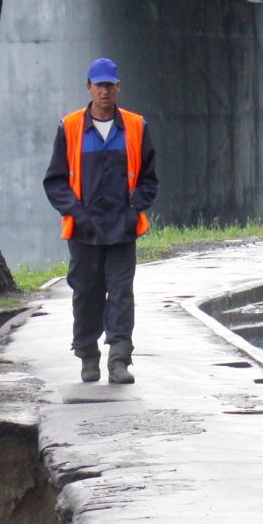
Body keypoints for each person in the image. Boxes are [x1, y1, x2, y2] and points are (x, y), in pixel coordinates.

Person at [43, 56, 159, 385]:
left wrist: (133, 209)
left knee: (122, 294)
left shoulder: (137, 127)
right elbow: (55, 181)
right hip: (84, 232)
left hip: (122, 230)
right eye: (99, 85)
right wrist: (77, 214)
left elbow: (150, 178)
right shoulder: (70, 127)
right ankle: (88, 356)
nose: (104, 91)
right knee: (86, 293)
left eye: (110, 84)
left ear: (118, 87)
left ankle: (119, 360)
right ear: (88, 87)